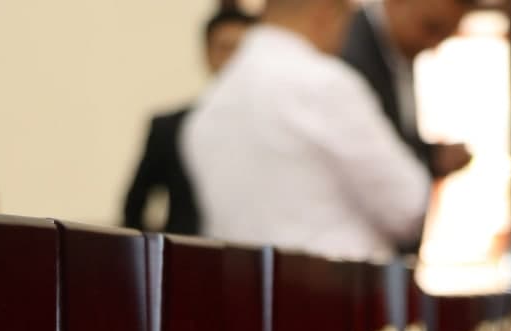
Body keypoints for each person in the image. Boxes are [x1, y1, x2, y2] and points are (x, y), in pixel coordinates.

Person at [182, 0, 431, 262]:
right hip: (336, 280)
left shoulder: (208, 106)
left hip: (245, 283)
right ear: (326, 12)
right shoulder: (325, 85)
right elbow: (409, 206)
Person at [122, 8, 255, 234]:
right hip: (186, 250)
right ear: (207, 53)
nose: (233, 60)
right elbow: (135, 206)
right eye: (225, 48)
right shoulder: (169, 128)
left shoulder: (275, 128)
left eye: (243, 50)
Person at [340, 0, 475, 182]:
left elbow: (394, 139)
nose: (433, 44)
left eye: (444, 36)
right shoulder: (346, 47)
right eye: (431, 28)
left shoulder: (398, 51)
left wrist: (433, 156)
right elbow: (362, 154)